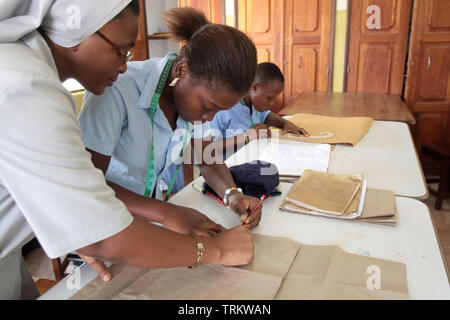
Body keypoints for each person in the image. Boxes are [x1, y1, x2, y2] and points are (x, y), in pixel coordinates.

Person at [0, 0, 254, 300]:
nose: (123, 65)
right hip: (112, 231)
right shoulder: (31, 88)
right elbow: (97, 221)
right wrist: (215, 249)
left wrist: (232, 194)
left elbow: (204, 154)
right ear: (80, 30)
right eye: (120, 50)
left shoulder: (32, 76)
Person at [209, 62, 309, 159]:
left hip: (254, 158)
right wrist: (247, 136)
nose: (272, 103)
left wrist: (286, 123)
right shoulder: (223, 109)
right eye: (269, 98)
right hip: (229, 166)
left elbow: (268, 116)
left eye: (275, 98)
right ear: (254, 87)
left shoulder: (254, 105)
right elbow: (207, 148)